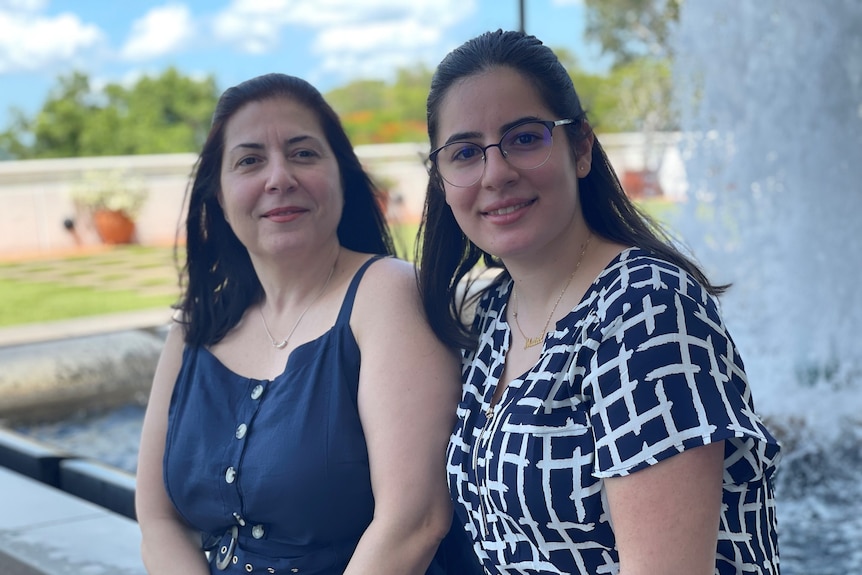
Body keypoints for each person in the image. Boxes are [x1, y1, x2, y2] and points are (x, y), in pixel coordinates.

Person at [417, 30, 782, 575]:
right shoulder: (496, 310)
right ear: (443, 180)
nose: (495, 173)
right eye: (466, 153)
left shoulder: (646, 309)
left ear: (581, 148)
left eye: (524, 138)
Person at [135, 72, 463, 575]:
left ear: (342, 177)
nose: (279, 178)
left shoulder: (387, 295)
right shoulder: (195, 327)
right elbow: (157, 516)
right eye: (249, 160)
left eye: (303, 153)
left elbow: (414, 520)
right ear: (218, 195)